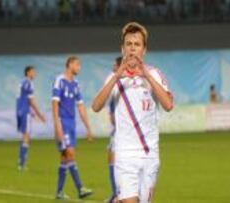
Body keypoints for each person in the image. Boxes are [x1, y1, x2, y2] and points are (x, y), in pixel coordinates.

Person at [92, 22, 174, 203]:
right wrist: (117, 76)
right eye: (128, 44)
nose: (132, 48)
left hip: (150, 153)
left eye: (137, 44)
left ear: (144, 50)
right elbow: (96, 106)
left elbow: (168, 105)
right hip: (125, 154)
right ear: (122, 48)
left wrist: (146, 75)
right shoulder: (115, 77)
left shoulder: (155, 74)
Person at [52, 56, 94, 199]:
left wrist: (88, 127)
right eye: (77, 65)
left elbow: (81, 107)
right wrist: (57, 127)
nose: (79, 68)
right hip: (62, 122)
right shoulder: (60, 81)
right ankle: (80, 188)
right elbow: (55, 105)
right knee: (70, 154)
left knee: (65, 158)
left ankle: (59, 192)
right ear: (70, 65)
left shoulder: (76, 84)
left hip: (71, 123)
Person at [16, 65, 45, 171]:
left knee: (24, 136)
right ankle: (22, 163)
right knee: (26, 137)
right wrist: (39, 115)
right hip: (24, 112)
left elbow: (23, 99)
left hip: (20, 111)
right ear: (28, 73)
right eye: (33, 71)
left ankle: (21, 161)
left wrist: (31, 113)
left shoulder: (22, 82)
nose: (35, 73)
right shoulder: (29, 83)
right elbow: (31, 101)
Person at [106, 56, 122, 203]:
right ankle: (116, 193)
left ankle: (117, 194)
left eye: (114, 64)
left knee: (113, 158)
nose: (112, 66)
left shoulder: (120, 84)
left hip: (121, 131)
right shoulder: (115, 84)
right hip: (118, 129)